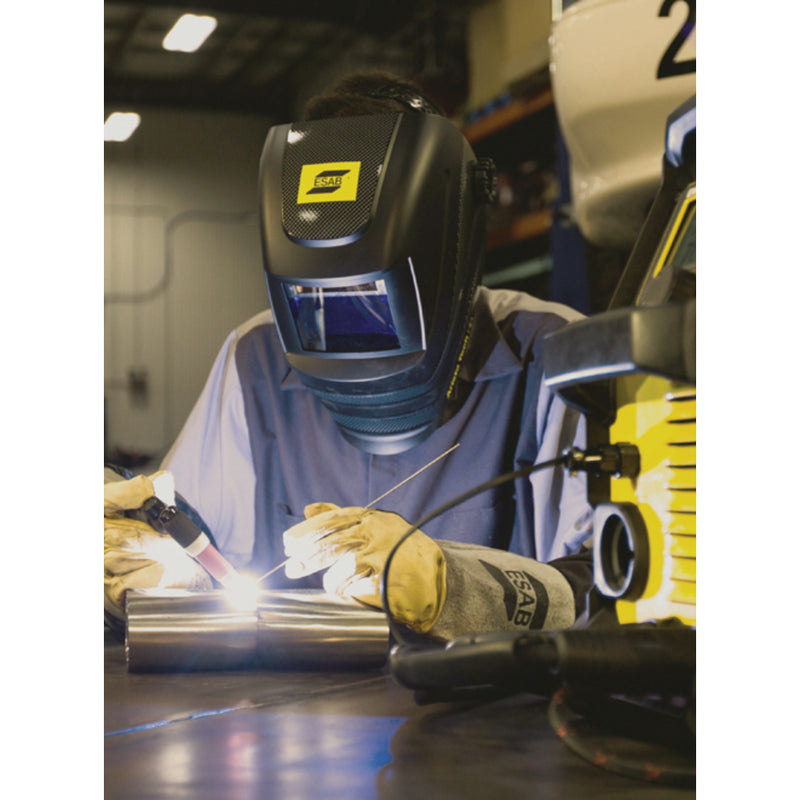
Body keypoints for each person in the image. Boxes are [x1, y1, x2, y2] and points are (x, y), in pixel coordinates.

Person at [104, 71, 595, 642]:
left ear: (441, 257)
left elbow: (610, 592)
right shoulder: (256, 358)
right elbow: (198, 548)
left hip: (487, 719)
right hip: (292, 719)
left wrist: (455, 586)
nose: (349, 327)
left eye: (373, 299)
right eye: (314, 303)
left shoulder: (554, 351)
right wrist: (146, 564)